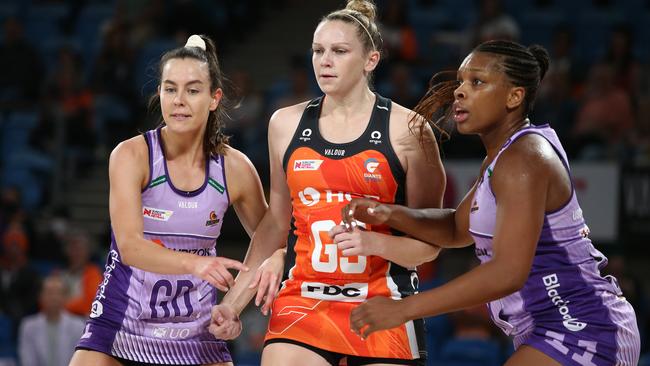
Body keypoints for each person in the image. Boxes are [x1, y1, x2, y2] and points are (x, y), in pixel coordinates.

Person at [339, 40, 641, 365]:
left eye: (477, 82)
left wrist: (404, 309)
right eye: (460, 81)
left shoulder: (525, 158)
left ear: (515, 96)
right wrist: (390, 212)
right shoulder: (501, 157)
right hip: (549, 329)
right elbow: (457, 229)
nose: (459, 91)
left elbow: (508, 272)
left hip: (584, 326)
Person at [209, 1, 445, 365]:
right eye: (318, 51)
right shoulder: (285, 124)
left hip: (382, 302)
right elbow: (274, 224)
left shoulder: (409, 130)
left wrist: (374, 242)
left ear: (371, 60)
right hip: (305, 299)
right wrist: (233, 305)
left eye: (339, 51)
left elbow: (430, 245)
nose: (325, 61)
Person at [69, 34, 268, 366]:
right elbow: (130, 246)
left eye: (192, 90)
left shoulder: (235, 168)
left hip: (196, 331)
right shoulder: (131, 155)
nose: (179, 100)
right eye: (170, 88)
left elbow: (270, 240)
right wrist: (196, 263)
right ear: (159, 93)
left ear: (214, 98)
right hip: (122, 322)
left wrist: (233, 305)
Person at [18, 274, 86, 366]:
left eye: (58, 293)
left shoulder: (78, 325)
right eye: (49, 292)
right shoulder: (28, 326)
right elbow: (27, 361)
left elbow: (80, 361)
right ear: (40, 296)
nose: (54, 297)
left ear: (65, 297)